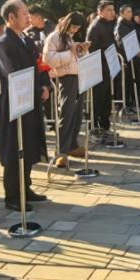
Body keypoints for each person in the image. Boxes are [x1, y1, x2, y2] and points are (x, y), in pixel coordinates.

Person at [0, 0, 49, 210]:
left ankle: (25, 187)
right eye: (24, 14)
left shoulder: (25, 39)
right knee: (14, 148)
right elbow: (13, 74)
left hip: (31, 100)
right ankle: (13, 196)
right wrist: (36, 89)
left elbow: (38, 64)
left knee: (28, 144)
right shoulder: (3, 44)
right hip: (14, 104)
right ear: (11, 17)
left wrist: (44, 85)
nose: (28, 18)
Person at [43, 12, 89, 169]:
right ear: (67, 23)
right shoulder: (54, 37)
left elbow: (75, 56)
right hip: (66, 79)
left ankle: (72, 145)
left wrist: (82, 50)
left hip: (78, 76)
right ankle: (61, 152)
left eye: (78, 28)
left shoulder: (69, 36)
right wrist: (71, 52)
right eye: (73, 26)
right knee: (66, 114)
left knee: (77, 114)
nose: (75, 30)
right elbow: (48, 59)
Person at [86, 1, 117, 140]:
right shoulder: (95, 27)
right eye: (109, 10)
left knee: (106, 100)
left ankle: (105, 126)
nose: (112, 12)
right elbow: (91, 50)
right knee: (97, 101)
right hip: (98, 69)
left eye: (113, 10)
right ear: (100, 11)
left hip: (108, 67)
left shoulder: (109, 25)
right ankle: (92, 130)